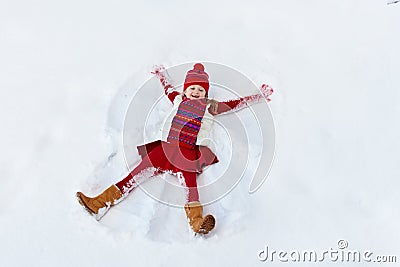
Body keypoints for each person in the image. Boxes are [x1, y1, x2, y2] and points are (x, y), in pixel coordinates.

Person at [76, 63, 273, 235]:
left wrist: (258, 96)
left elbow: (233, 105)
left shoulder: (209, 107)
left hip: (187, 153)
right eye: (192, 88)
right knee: (134, 175)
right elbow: (168, 89)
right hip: (166, 148)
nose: (196, 92)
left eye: (201, 90)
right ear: (186, 90)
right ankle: (99, 202)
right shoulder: (179, 100)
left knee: (191, 187)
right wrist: (161, 75)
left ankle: (197, 221)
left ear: (206, 94)